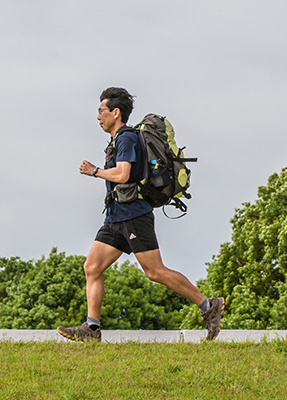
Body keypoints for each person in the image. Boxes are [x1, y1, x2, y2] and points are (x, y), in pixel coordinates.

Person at [57, 87, 224, 342]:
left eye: (101, 111)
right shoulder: (117, 140)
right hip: (115, 216)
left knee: (155, 272)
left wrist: (94, 171)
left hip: (134, 215)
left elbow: (123, 174)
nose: (98, 116)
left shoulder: (126, 138)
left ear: (115, 112)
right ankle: (91, 328)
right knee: (92, 267)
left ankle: (208, 306)